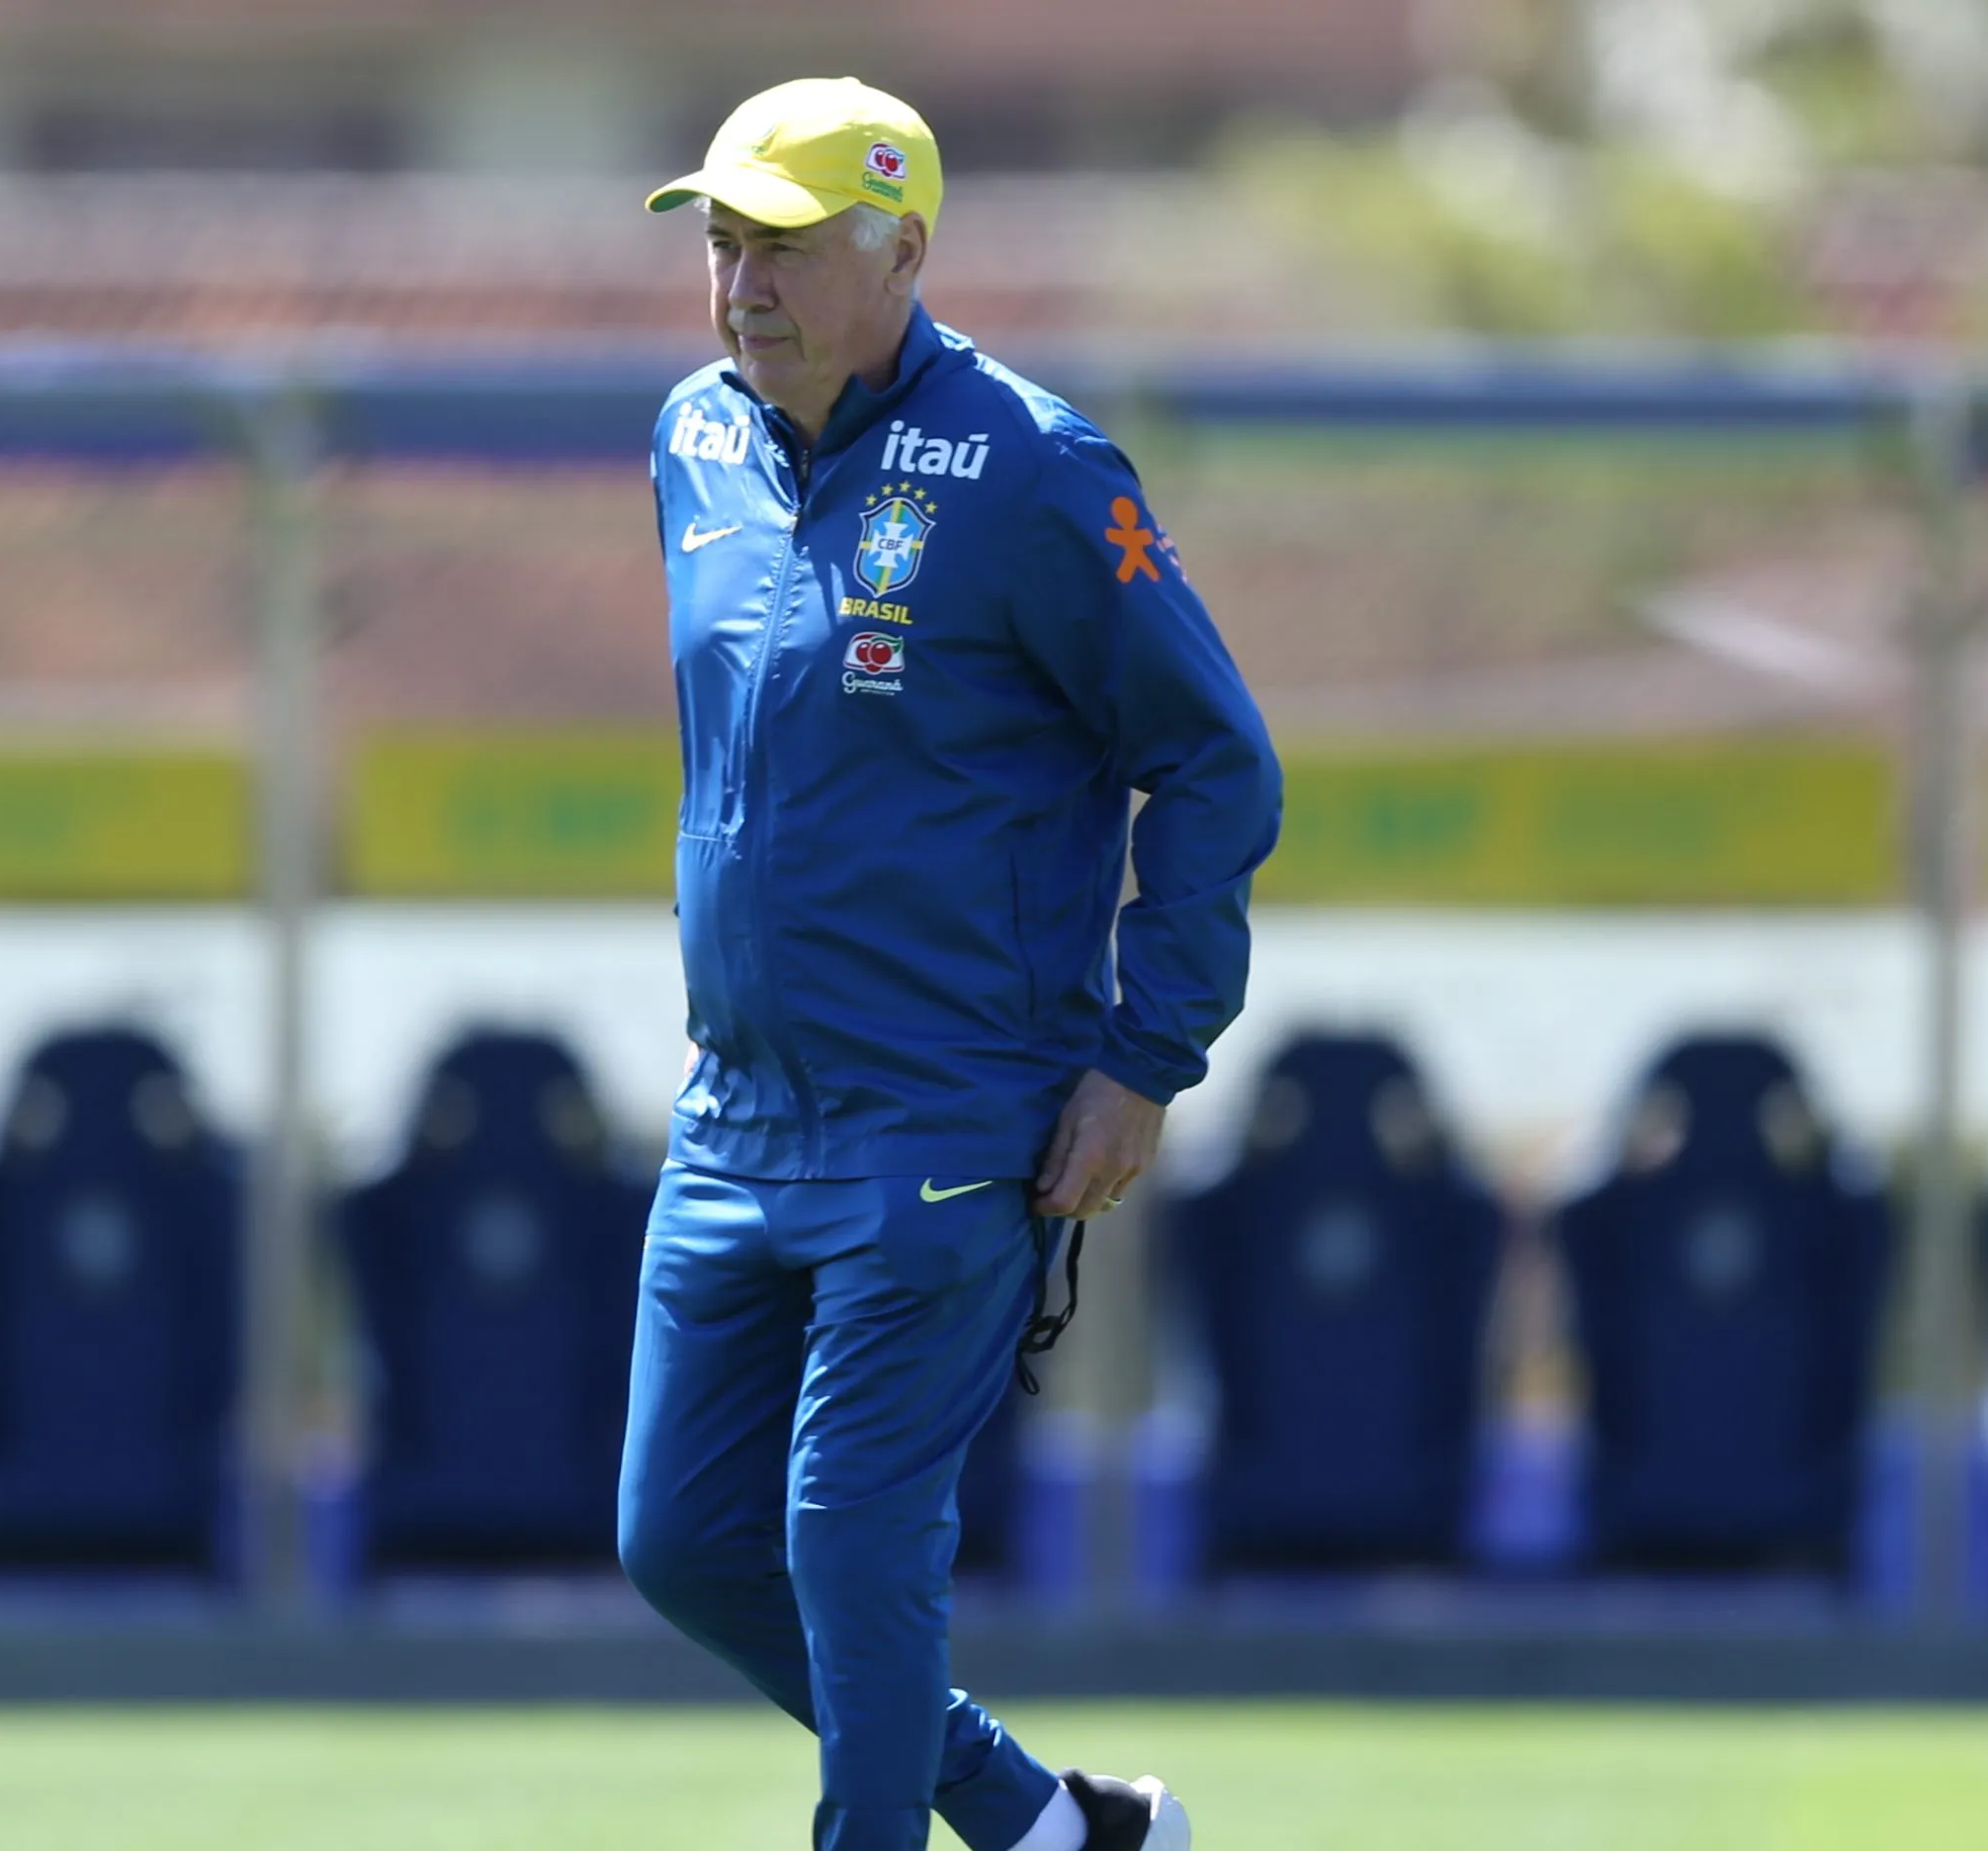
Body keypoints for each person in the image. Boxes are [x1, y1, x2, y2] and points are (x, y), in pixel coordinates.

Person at [617, 77, 1280, 1851]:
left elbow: (1215, 762)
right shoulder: (692, 435)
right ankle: (1050, 1829)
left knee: (850, 1536)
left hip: (947, 1114)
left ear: (900, 248)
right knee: (679, 1542)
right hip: (737, 1117)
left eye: (785, 243)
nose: (742, 280)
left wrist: (1149, 1055)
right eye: (725, 241)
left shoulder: (1037, 469)